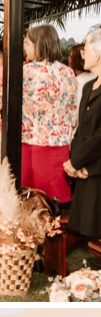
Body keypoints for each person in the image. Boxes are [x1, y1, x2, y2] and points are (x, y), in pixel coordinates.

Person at [16, 24, 79, 204]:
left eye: (27, 43)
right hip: (59, 143)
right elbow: (73, 111)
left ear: (38, 45)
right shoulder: (68, 73)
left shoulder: (25, 71)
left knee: (29, 197)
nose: (24, 47)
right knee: (53, 199)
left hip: (30, 141)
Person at [65, 28, 101, 241]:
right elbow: (81, 130)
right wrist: (74, 163)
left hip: (95, 168)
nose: (82, 55)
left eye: (85, 50)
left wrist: (78, 161)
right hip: (86, 167)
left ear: (97, 53)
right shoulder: (88, 86)